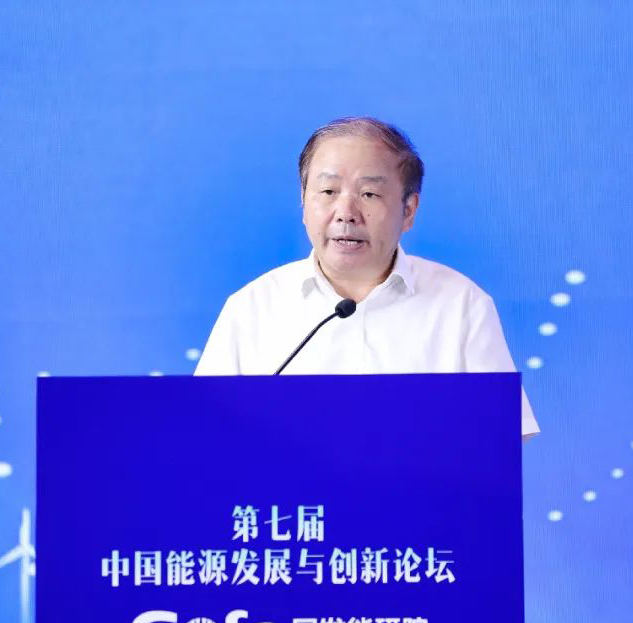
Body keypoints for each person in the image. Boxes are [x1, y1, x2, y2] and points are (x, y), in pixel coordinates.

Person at [195, 116, 538, 439]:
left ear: (408, 210)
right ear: (303, 202)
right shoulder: (251, 309)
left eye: (369, 194)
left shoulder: (462, 305)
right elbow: (205, 438)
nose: (346, 213)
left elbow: (500, 442)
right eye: (328, 192)